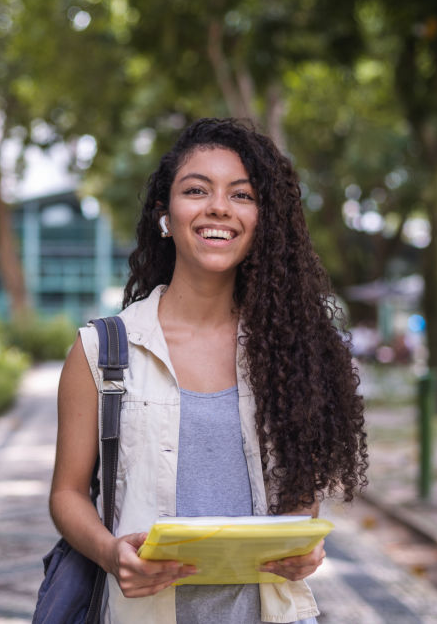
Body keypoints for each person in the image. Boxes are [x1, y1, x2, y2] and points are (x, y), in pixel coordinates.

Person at [49, 118, 368, 623]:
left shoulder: (294, 351)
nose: (218, 206)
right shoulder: (102, 350)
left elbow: (300, 495)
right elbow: (66, 494)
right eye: (197, 190)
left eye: (241, 195)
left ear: (263, 219)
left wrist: (301, 544)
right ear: (165, 215)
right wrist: (111, 554)